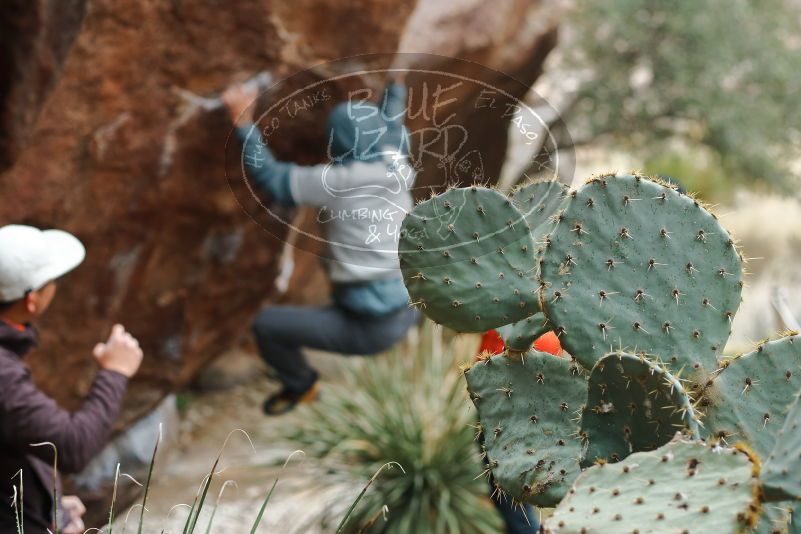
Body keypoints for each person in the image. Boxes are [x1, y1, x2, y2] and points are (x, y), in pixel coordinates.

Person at [222, 73, 418, 415]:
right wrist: (395, 86)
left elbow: (273, 179)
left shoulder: (339, 182)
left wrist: (243, 122)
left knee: (266, 326)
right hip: (408, 307)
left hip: (367, 327)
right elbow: (391, 123)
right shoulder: (397, 163)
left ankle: (300, 384)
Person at [0, 225, 143, 533]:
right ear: (31, 301)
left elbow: (12, 437)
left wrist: (48, 505)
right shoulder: (3, 374)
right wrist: (115, 372)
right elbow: (72, 446)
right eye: (52, 281)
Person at [475, 328, 564, 533]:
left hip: (503, 415)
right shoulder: (551, 332)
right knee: (510, 492)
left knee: (511, 496)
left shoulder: (507, 327)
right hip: (518, 415)